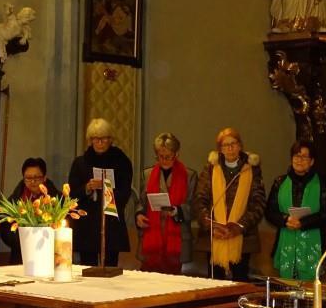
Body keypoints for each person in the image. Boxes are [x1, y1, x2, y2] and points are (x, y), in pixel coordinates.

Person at [193, 127, 265, 282]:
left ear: (240, 146)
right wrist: (211, 226)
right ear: (220, 149)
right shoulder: (211, 169)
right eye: (225, 145)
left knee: (239, 283)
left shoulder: (251, 169)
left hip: (242, 238)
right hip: (214, 236)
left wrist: (238, 227)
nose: (230, 148)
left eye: (234, 144)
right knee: (214, 285)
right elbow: (200, 200)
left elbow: (258, 204)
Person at [263, 140, 326, 281]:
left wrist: (303, 222)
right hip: (286, 240)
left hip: (315, 243)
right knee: (287, 288)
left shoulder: (323, 183)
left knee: (310, 291)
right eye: (296, 156)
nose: (299, 160)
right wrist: (285, 220)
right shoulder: (280, 182)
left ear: (312, 161)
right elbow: (269, 212)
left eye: (304, 157)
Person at [67, 118, 133, 267]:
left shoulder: (121, 162)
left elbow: (125, 193)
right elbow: (72, 195)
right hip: (87, 225)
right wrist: (87, 188)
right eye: (96, 139)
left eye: (104, 139)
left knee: (110, 269)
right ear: (90, 140)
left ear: (110, 139)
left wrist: (106, 188)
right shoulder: (80, 163)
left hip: (111, 223)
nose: (100, 143)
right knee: (87, 269)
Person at [135, 132, 197, 274]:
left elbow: (194, 208)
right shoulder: (148, 174)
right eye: (160, 156)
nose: (163, 160)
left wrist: (177, 210)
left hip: (177, 238)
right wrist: (139, 215)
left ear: (176, 154)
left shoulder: (189, 176)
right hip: (152, 235)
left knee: (173, 281)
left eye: (168, 156)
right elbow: (141, 202)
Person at [0, 157, 59, 265]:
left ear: (44, 178)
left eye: (37, 177)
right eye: (28, 178)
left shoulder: (56, 198)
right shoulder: (15, 199)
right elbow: (5, 229)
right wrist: (22, 240)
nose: (33, 182)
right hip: (20, 256)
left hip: (48, 256)